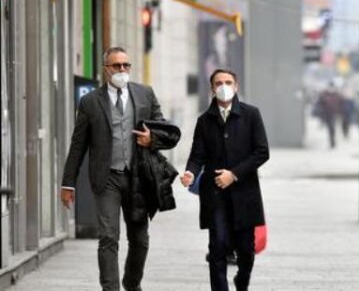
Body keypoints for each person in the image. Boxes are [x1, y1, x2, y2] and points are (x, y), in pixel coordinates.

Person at [61, 46, 164, 291]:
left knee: (140, 240)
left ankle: (131, 283)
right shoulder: (90, 101)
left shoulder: (145, 94)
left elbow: (163, 127)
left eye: (126, 65)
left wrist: (153, 139)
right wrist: (68, 183)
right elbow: (78, 145)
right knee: (108, 237)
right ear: (106, 69)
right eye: (116, 66)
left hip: (138, 178)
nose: (122, 70)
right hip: (107, 179)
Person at [181, 68, 269, 291]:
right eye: (218, 82)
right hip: (215, 195)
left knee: (246, 251)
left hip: (245, 194)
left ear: (236, 86)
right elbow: (197, 154)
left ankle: (242, 279)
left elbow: (262, 152)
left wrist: (235, 174)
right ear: (212, 88)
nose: (223, 86)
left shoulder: (251, 115)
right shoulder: (204, 121)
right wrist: (190, 172)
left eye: (228, 82)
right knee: (218, 247)